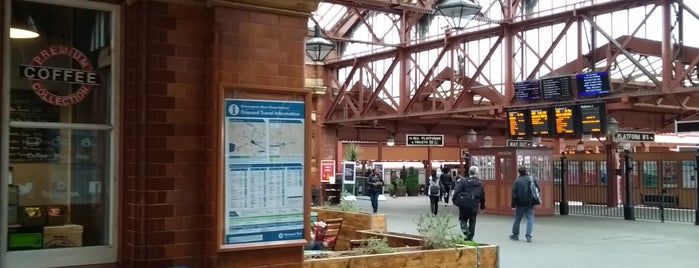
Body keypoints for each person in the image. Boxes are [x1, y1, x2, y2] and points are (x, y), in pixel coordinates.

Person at [452, 166, 485, 241]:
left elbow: (457, 191)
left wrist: (454, 200)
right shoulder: (480, 183)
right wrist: (483, 207)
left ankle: (466, 233)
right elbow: (482, 196)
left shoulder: (464, 181)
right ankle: (470, 237)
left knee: (462, 219)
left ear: (469, 172)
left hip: (464, 204)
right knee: (472, 221)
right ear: (476, 173)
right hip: (474, 204)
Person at [510, 166, 540, 243]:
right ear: (526, 171)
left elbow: (514, 194)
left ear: (519, 172)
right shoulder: (531, 179)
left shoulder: (517, 181)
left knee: (517, 218)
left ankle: (515, 235)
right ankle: (528, 236)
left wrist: (513, 204)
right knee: (530, 219)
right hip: (530, 202)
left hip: (520, 203)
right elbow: (538, 189)